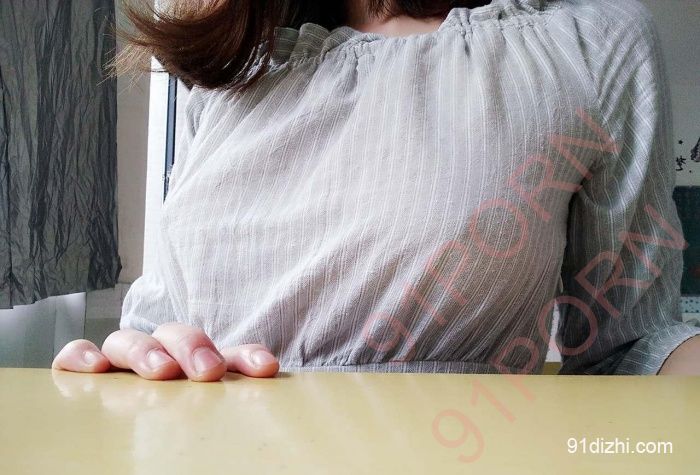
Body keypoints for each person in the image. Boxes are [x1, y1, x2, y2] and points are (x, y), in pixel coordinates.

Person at [52, 0, 700, 381]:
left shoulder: (592, 45)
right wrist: (132, 360)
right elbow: (161, 321)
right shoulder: (228, 54)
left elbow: (627, 346)